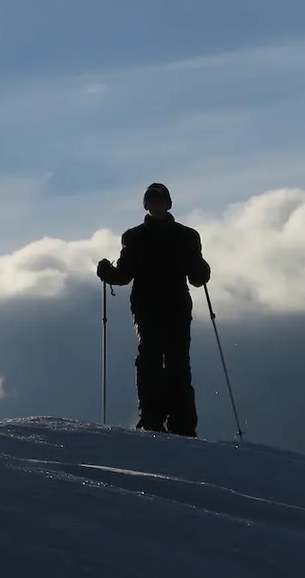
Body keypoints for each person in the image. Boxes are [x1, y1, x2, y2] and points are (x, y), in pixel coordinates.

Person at [97, 182, 212, 437]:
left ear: (167, 204)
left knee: (172, 362)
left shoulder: (143, 237)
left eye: (158, 200)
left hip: (168, 308)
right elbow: (125, 274)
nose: (156, 205)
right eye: (152, 201)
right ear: (148, 205)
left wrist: (107, 272)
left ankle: (171, 422)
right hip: (155, 308)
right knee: (157, 360)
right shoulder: (181, 236)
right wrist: (109, 273)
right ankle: (161, 420)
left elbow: (195, 275)